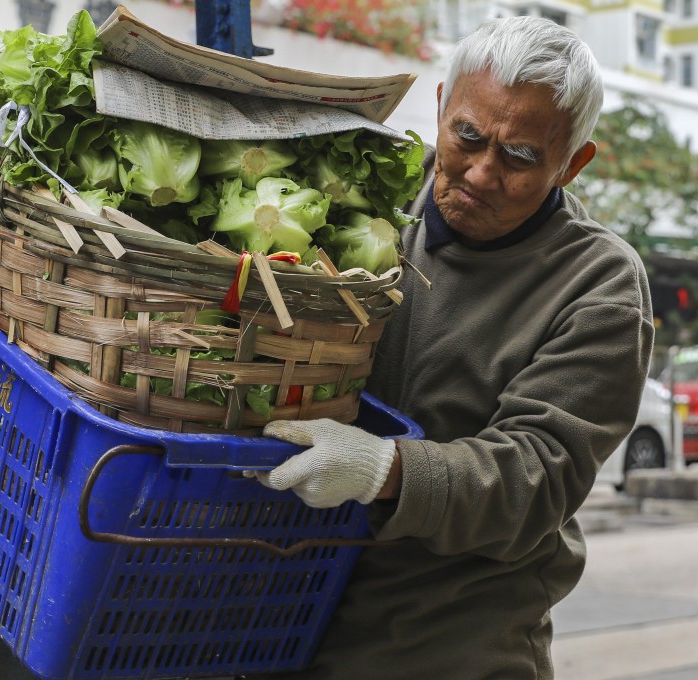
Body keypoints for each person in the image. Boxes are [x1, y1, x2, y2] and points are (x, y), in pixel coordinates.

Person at [248, 15, 654, 679]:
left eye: (521, 156)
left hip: (448, 645)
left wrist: (387, 470)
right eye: (467, 136)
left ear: (571, 163)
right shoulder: (366, 202)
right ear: (441, 106)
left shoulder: (600, 285)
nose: (483, 171)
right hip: (283, 624)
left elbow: (538, 474)